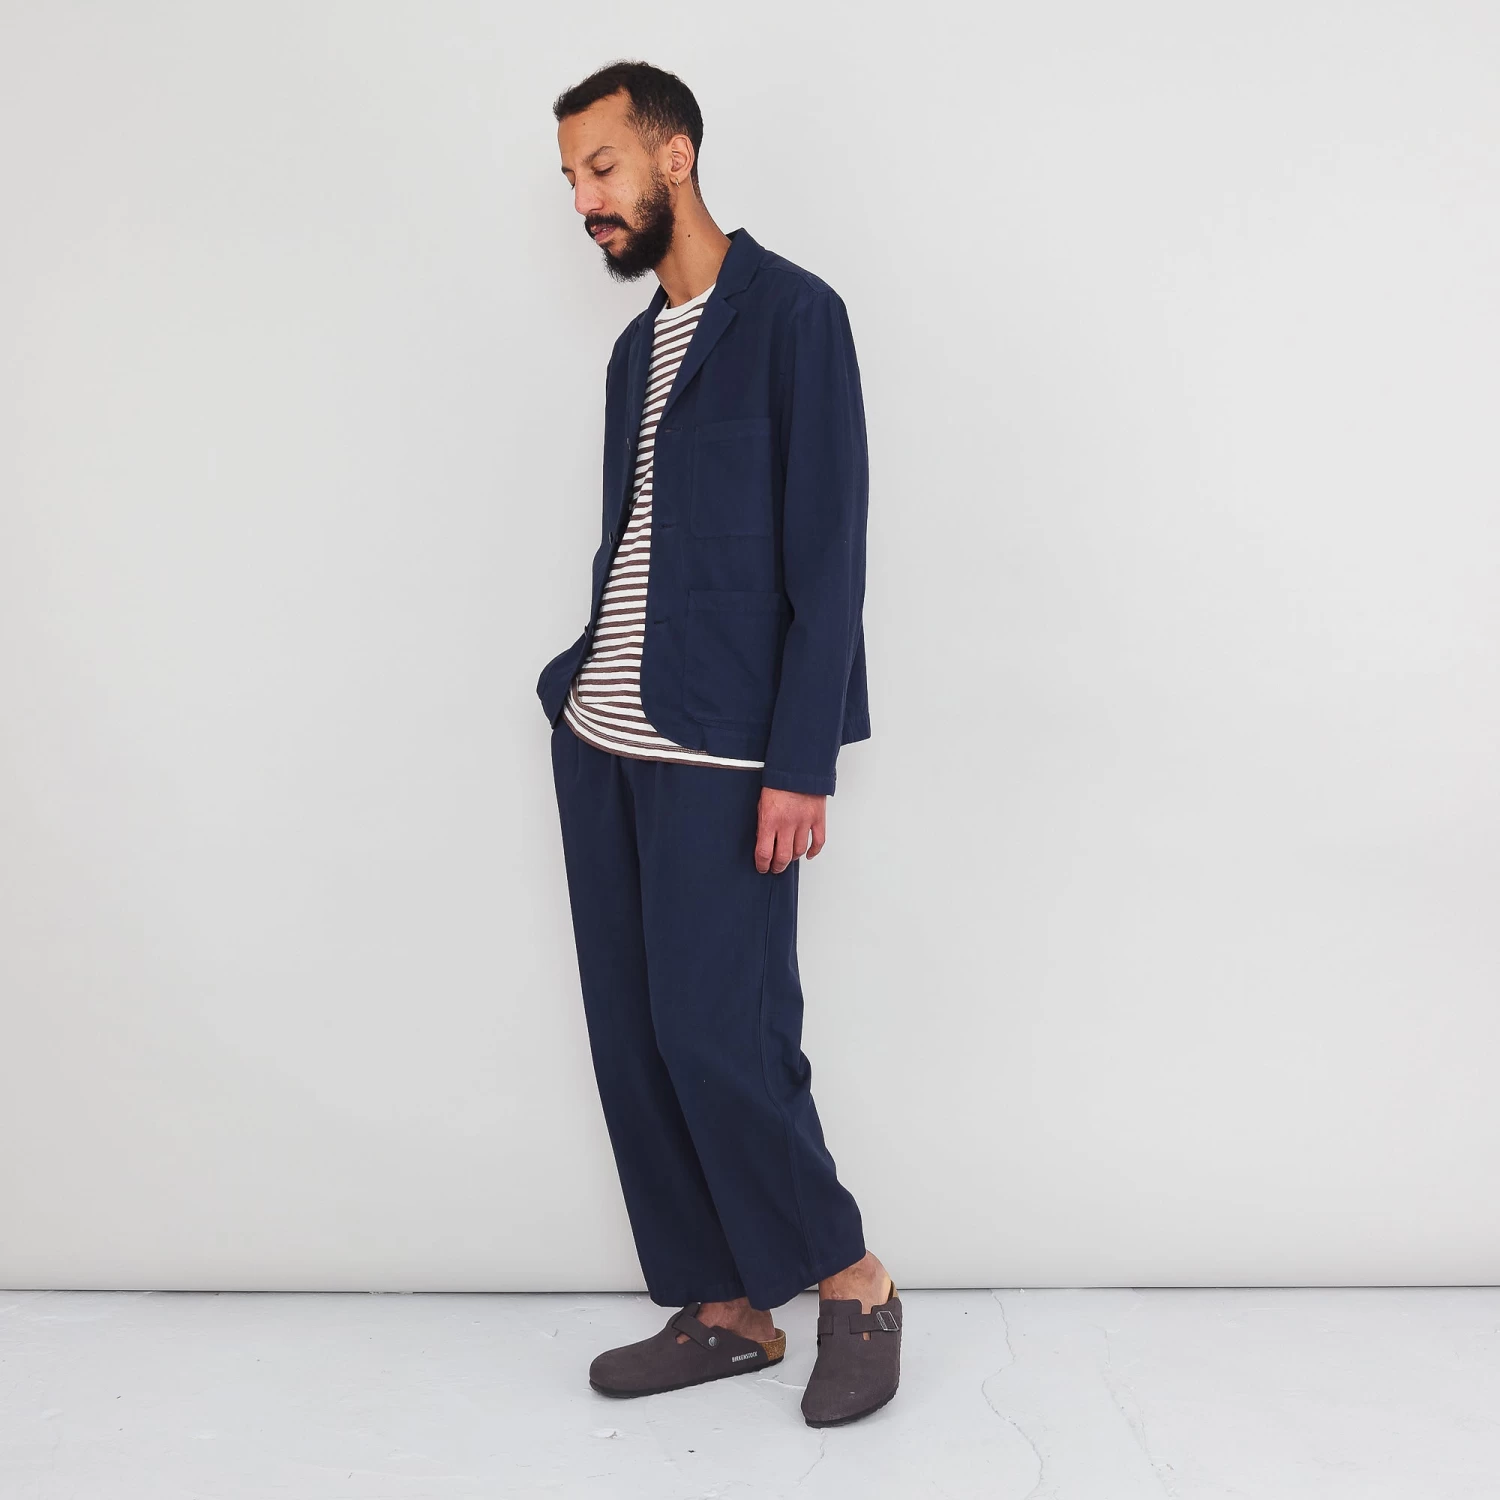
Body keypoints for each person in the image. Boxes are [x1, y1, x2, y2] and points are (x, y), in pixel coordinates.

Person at [535, 59, 900, 1427]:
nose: (586, 199)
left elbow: (828, 552)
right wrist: (576, 684)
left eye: (602, 167)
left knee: (723, 1035)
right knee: (637, 1040)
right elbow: (637, 540)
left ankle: (854, 1282)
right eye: (572, 178)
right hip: (606, 738)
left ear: (674, 156)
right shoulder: (634, 352)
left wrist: (801, 759)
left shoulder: (796, 317)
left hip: (722, 748)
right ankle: (727, 1310)